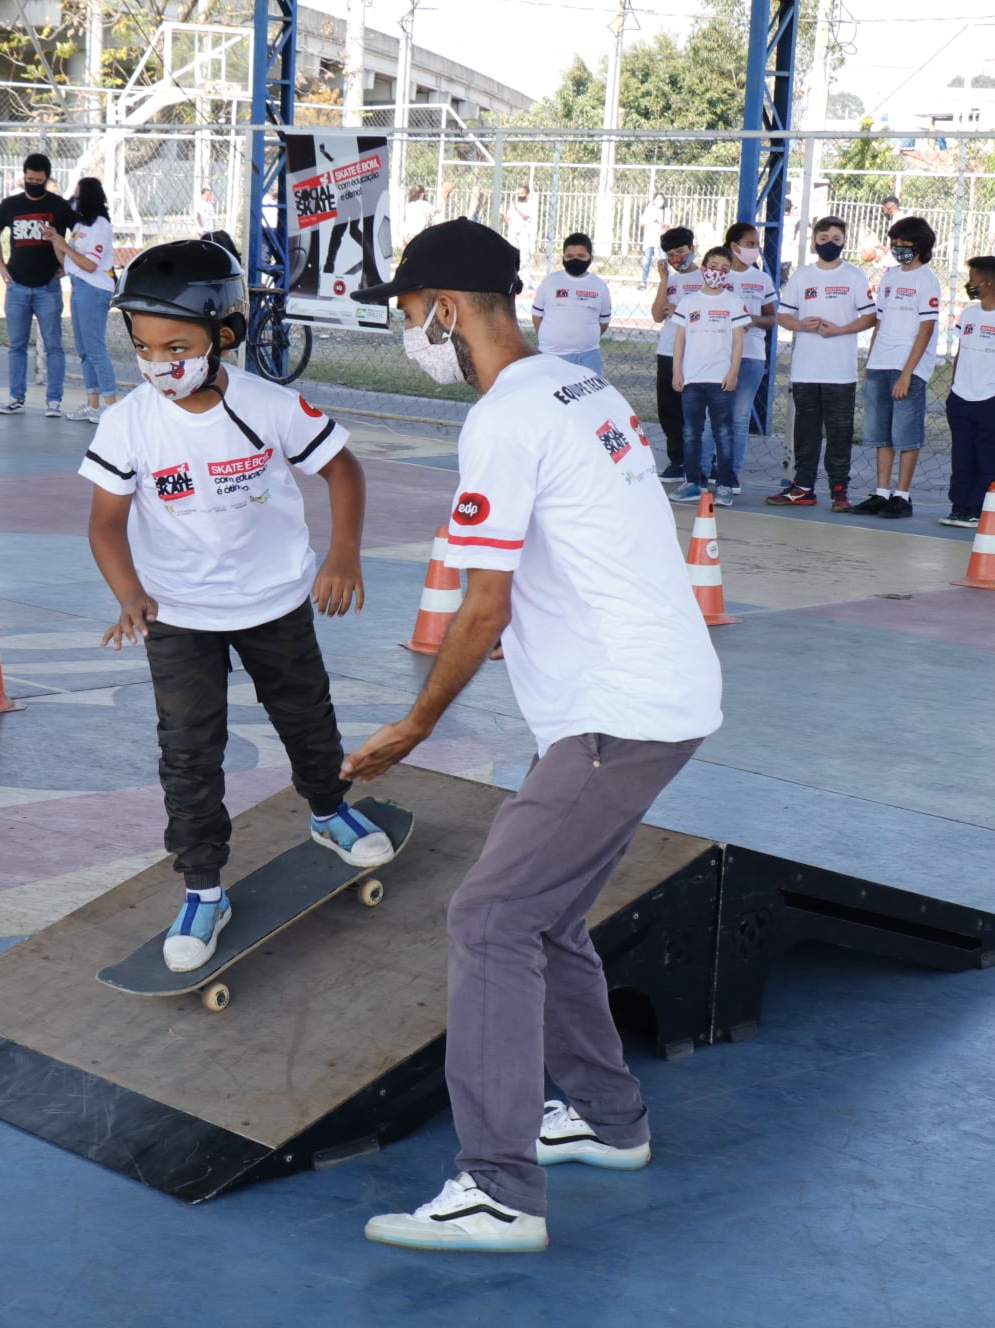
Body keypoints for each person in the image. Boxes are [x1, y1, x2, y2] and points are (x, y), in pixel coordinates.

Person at [341, 218, 721, 1254]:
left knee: (490, 918)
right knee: (542, 919)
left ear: (445, 311)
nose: (408, 331)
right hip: (649, 694)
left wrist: (415, 723)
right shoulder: (577, 383)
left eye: (408, 313)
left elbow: (482, 605)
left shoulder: (507, 416)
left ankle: (498, 1187)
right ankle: (606, 1115)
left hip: (617, 713)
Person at [82, 239, 392, 973]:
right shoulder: (128, 422)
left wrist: (344, 551)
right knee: (188, 755)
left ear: (226, 335)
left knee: (307, 717)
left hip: (275, 601)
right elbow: (104, 522)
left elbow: (341, 469)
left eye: (177, 346)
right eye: (144, 346)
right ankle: (203, 888)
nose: (159, 363)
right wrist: (130, 593)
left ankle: (328, 811)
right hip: (179, 615)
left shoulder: (268, 405)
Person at [767, 217, 875, 509]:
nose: (830, 244)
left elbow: (869, 316)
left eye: (836, 239)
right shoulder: (803, 276)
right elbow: (784, 315)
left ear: (844, 242)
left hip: (840, 371)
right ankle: (803, 487)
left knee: (840, 431)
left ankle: (839, 490)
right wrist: (801, 325)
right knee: (806, 430)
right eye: (824, 238)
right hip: (806, 368)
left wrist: (840, 329)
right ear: (814, 241)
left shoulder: (854, 276)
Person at [847, 216, 941, 520]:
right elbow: (880, 321)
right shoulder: (889, 276)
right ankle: (881, 491)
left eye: (905, 244)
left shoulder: (927, 279)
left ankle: (902, 495)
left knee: (906, 433)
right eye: (895, 243)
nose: (899, 248)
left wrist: (907, 372)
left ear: (921, 246)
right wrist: (871, 359)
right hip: (881, 363)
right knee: (880, 432)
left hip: (907, 367)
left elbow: (925, 330)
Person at [0, 152, 76, 417]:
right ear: (23, 176)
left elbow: (80, 233)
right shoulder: (10, 205)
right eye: (29, 179)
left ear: (47, 179)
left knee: (54, 345)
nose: (33, 183)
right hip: (16, 286)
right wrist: (1, 266)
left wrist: (67, 264)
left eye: (39, 180)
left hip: (48, 287)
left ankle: (54, 401)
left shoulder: (60, 206)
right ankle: (16, 397)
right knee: (17, 345)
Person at [939, 257, 995, 527]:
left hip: (988, 400)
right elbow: (962, 352)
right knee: (961, 455)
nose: (969, 284)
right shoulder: (969, 315)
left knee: (987, 457)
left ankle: (978, 508)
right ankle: (959, 505)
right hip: (961, 397)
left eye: (973, 280)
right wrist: (954, 388)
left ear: (987, 284)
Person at [670, 246, 749, 506]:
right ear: (704, 267)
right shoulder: (689, 302)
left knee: (723, 433)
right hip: (692, 379)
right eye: (714, 265)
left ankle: (725, 484)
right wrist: (677, 371)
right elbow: (680, 339)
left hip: (720, 380)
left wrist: (733, 372)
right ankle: (693, 482)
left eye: (725, 268)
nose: (718, 272)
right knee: (691, 432)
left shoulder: (733, 303)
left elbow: (738, 341)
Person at [50, 176, 118, 423]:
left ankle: (111, 405)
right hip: (78, 286)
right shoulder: (80, 226)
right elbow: (68, 262)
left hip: (94, 287)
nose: (74, 200)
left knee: (95, 347)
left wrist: (66, 248)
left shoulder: (100, 225)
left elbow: (90, 264)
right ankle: (92, 403)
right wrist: (55, 241)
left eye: (78, 195)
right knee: (83, 348)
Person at [723, 221, 778, 497]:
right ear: (733, 246)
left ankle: (732, 471)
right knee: (714, 414)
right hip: (716, 355)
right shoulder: (717, 274)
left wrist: (753, 320)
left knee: (740, 416)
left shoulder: (761, 279)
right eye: (749, 244)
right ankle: (706, 469)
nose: (754, 249)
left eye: (756, 245)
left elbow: (772, 317)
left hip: (751, 355)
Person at [650, 226, 705, 482]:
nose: (677, 259)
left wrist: (682, 310)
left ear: (692, 250)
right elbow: (657, 315)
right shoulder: (670, 280)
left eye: (681, 252)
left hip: (695, 351)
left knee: (693, 409)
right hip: (668, 350)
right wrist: (663, 280)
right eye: (671, 254)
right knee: (669, 408)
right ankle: (677, 461)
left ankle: (702, 460)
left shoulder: (705, 278)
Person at [529, 232, 611, 375]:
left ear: (590, 258)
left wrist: (585, 339)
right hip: (550, 355)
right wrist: (550, 339)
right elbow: (537, 316)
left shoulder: (600, 286)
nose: (575, 260)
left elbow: (603, 322)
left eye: (581, 256)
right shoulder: (549, 282)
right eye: (570, 256)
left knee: (590, 397)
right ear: (563, 258)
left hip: (588, 356)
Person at [639, 191, 670, 287]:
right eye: (657, 198)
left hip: (661, 239)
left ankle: (667, 282)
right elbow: (642, 223)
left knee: (664, 260)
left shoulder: (666, 210)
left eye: (661, 199)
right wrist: (652, 221)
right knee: (647, 261)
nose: (659, 201)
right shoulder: (649, 209)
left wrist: (661, 223)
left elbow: (669, 225)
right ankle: (643, 282)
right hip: (650, 239)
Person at [506, 185, 537, 264]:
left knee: (524, 251)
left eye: (522, 193)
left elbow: (525, 217)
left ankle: (524, 267)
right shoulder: (514, 204)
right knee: (512, 249)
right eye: (518, 193)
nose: (520, 195)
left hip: (524, 230)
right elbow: (508, 219)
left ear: (527, 194)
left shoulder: (530, 204)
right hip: (513, 229)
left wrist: (517, 209)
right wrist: (503, 214)